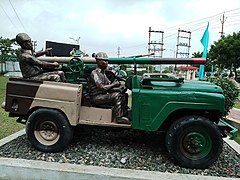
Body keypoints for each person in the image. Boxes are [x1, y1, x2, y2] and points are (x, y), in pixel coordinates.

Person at [89, 52, 129, 124]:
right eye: (104, 61)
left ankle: (124, 113)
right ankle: (118, 118)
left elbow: (109, 87)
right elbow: (102, 88)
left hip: (102, 95)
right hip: (96, 97)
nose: (106, 63)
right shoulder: (94, 73)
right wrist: (114, 84)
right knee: (117, 96)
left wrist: (119, 89)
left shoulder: (103, 74)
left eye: (107, 61)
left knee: (123, 94)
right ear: (98, 62)